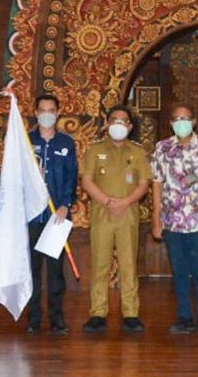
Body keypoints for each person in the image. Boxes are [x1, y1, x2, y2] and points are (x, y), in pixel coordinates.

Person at [150, 104, 198, 333]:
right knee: (179, 272)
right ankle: (183, 317)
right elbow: (156, 183)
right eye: (177, 118)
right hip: (172, 221)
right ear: (171, 123)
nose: (181, 122)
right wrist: (156, 217)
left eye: (186, 118)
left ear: (194, 122)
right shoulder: (162, 148)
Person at [81, 105, 150, 333]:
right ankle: (98, 312)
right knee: (100, 264)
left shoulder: (138, 152)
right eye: (114, 120)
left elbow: (143, 184)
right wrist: (109, 202)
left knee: (128, 264)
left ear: (130, 126)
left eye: (123, 121)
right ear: (107, 124)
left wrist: (125, 202)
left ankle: (130, 313)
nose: (119, 125)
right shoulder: (94, 150)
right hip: (102, 214)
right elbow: (87, 181)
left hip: (128, 214)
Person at [26, 93, 77, 334]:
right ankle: (33, 319)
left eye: (51, 110)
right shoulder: (25, 141)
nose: (46, 114)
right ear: (36, 113)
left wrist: (66, 204)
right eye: (42, 110)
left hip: (57, 217)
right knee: (33, 270)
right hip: (32, 217)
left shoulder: (66, 143)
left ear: (57, 113)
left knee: (55, 272)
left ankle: (57, 318)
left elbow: (71, 177)